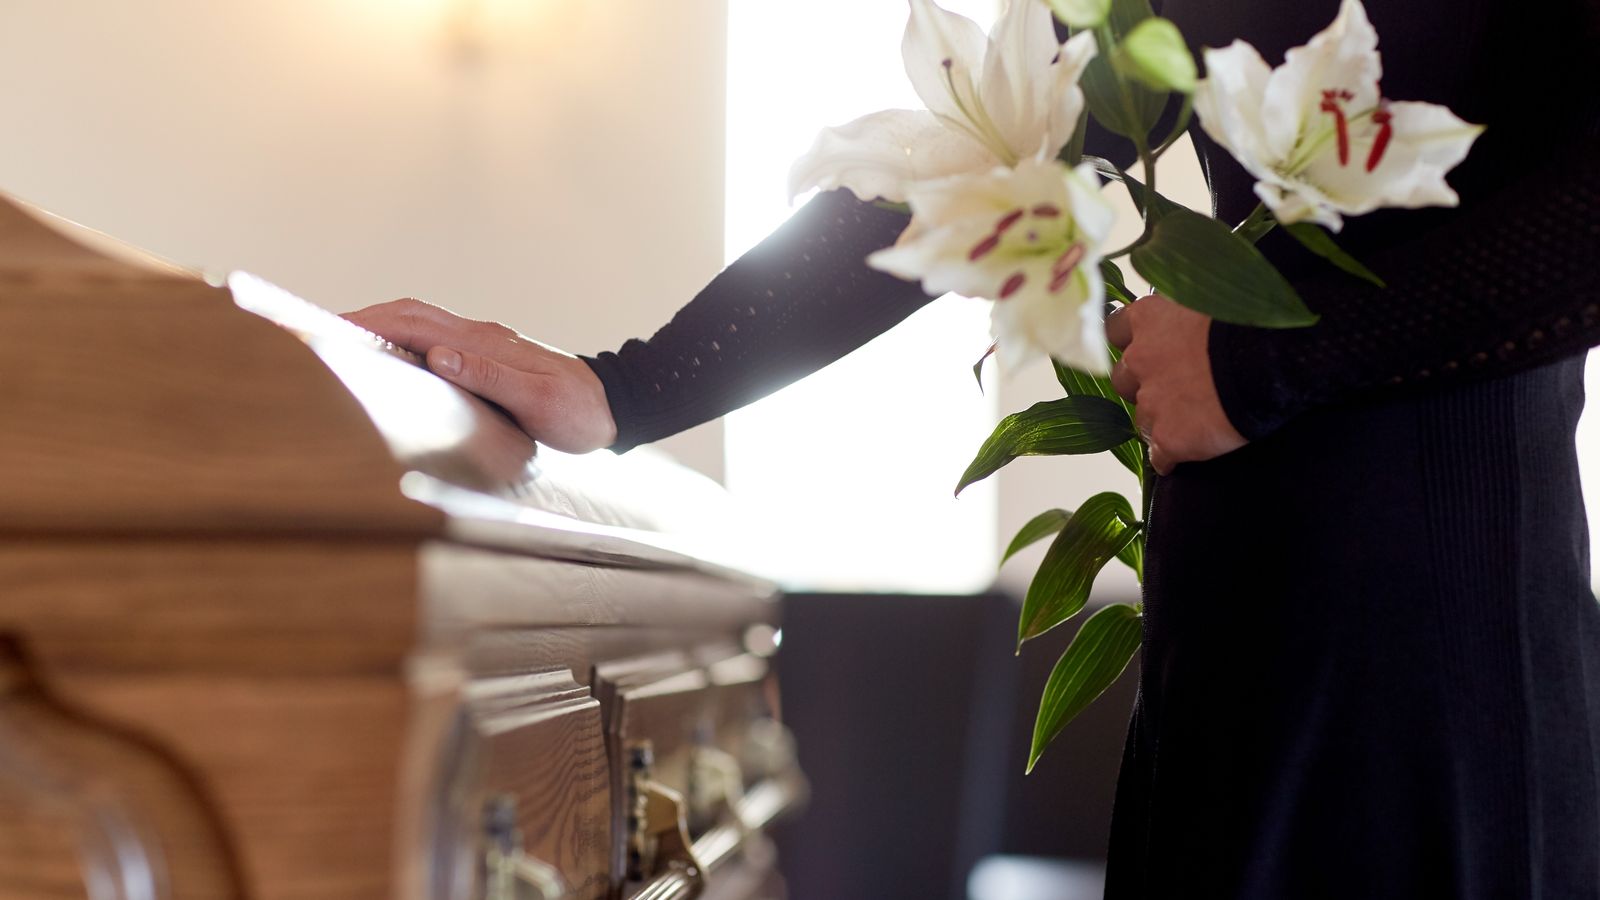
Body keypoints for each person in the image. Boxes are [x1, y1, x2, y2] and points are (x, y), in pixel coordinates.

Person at [347, 0, 1600, 895]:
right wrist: (624, 388)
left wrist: (1268, 360)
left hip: (1447, 629)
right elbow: (977, 155)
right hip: (1234, 614)